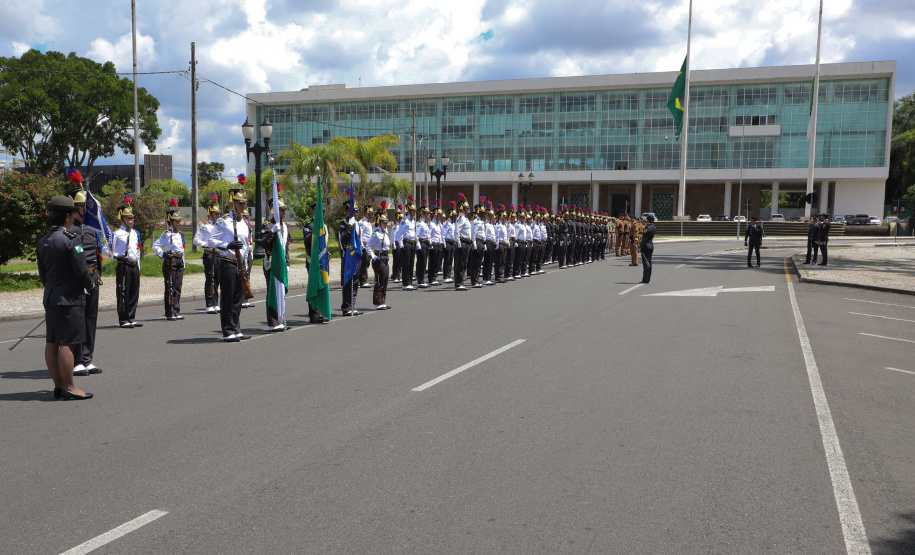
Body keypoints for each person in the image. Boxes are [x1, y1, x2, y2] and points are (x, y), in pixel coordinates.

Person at [37, 196, 95, 400]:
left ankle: (59, 385)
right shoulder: (72, 241)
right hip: (70, 299)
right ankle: (70, 386)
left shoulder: (43, 241)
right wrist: (91, 284)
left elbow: (43, 274)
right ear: (68, 217)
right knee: (67, 344)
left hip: (52, 297)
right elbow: (81, 272)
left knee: (52, 341)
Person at [66, 174, 103, 376]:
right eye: (81, 206)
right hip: (76, 281)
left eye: (85, 206)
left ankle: (88, 359)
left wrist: (96, 276)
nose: (84, 209)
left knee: (90, 319)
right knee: (77, 321)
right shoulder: (68, 231)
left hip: (92, 279)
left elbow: (97, 257)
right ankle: (77, 360)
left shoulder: (91, 231)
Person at [209, 188, 252, 341]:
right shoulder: (224, 221)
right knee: (227, 299)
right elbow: (211, 241)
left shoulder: (244, 222)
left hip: (241, 264)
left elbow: (246, 244)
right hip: (228, 263)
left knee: (238, 299)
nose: (243, 206)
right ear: (233, 204)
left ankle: (236, 328)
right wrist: (227, 245)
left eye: (245, 203)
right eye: (240, 203)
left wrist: (246, 263)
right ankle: (228, 331)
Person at [259, 196, 291, 331]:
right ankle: (273, 322)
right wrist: (272, 232)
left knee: (281, 292)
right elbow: (264, 244)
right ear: (275, 211)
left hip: (282, 263)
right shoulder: (268, 225)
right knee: (273, 292)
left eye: (284, 210)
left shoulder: (284, 226)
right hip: (271, 263)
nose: (284, 212)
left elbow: (286, 246)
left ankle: (281, 318)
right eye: (282, 210)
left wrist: (288, 263)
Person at [112, 195, 143, 328]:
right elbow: (108, 250)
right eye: (129, 218)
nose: (132, 220)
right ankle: (123, 319)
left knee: (134, 292)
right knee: (123, 292)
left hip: (134, 265)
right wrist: (118, 257)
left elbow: (137, 250)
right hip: (123, 265)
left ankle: (132, 317)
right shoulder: (117, 233)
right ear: (122, 219)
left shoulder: (135, 233)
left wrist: (138, 266)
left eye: (132, 218)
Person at [153, 202, 186, 321]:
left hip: (179, 261)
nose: (178, 223)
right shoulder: (166, 234)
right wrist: (163, 254)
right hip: (170, 261)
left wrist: (183, 263)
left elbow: (182, 250)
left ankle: (176, 310)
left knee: (177, 286)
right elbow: (155, 246)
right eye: (176, 221)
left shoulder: (181, 234)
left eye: (179, 220)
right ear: (170, 222)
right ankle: (170, 311)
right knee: (170, 287)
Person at [301, 203, 328, 324]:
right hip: (312, 261)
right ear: (313, 212)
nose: (322, 214)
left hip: (323, 261)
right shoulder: (309, 226)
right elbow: (307, 241)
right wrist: (315, 231)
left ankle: (321, 311)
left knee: (322, 285)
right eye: (319, 212)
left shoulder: (324, 226)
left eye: (323, 212)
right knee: (313, 286)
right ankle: (313, 314)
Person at [194, 199, 222, 314]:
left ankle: (215, 303)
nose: (218, 215)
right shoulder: (204, 227)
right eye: (216, 214)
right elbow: (196, 240)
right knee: (210, 279)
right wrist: (207, 245)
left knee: (218, 280)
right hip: (210, 254)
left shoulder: (220, 226)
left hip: (219, 255)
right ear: (210, 215)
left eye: (219, 213)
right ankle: (209, 304)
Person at [366, 203, 393, 310]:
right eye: (383, 222)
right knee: (379, 281)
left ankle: (383, 301)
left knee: (385, 280)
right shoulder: (376, 233)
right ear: (379, 223)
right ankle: (377, 303)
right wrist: (373, 257)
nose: (386, 224)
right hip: (379, 258)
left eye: (386, 222)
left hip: (385, 258)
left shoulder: (385, 233)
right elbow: (368, 247)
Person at [396, 196, 417, 290]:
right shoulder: (405, 221)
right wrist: (401, 245)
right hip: (407, 243)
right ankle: (405, 283)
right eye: (413, 210)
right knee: (406, 263)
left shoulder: (413, 221)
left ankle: (410, 282)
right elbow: (399, 234)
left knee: (411, 263)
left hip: (412, 243)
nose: (414, 212)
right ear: (409, 211)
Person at [453, 194, 471, 291]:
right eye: (466, 208)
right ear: (462, 209)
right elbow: (457, 231)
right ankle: (459, 283)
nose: (468, 209)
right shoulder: (461, 218)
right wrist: (459, 244)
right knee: (460, 264)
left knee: (464, 263)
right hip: (462, 242)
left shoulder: (466, 219)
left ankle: (461, 282)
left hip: (467, 242)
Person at [640, 213, 656, 283]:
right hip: (651, 245)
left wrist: (641, 247)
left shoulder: (647, 227)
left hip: (646, 245)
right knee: (649, 261)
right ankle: (648, 277)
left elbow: (644, 238)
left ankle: (645, 279)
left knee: (646, 262)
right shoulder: (653, 227)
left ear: (648, 220)